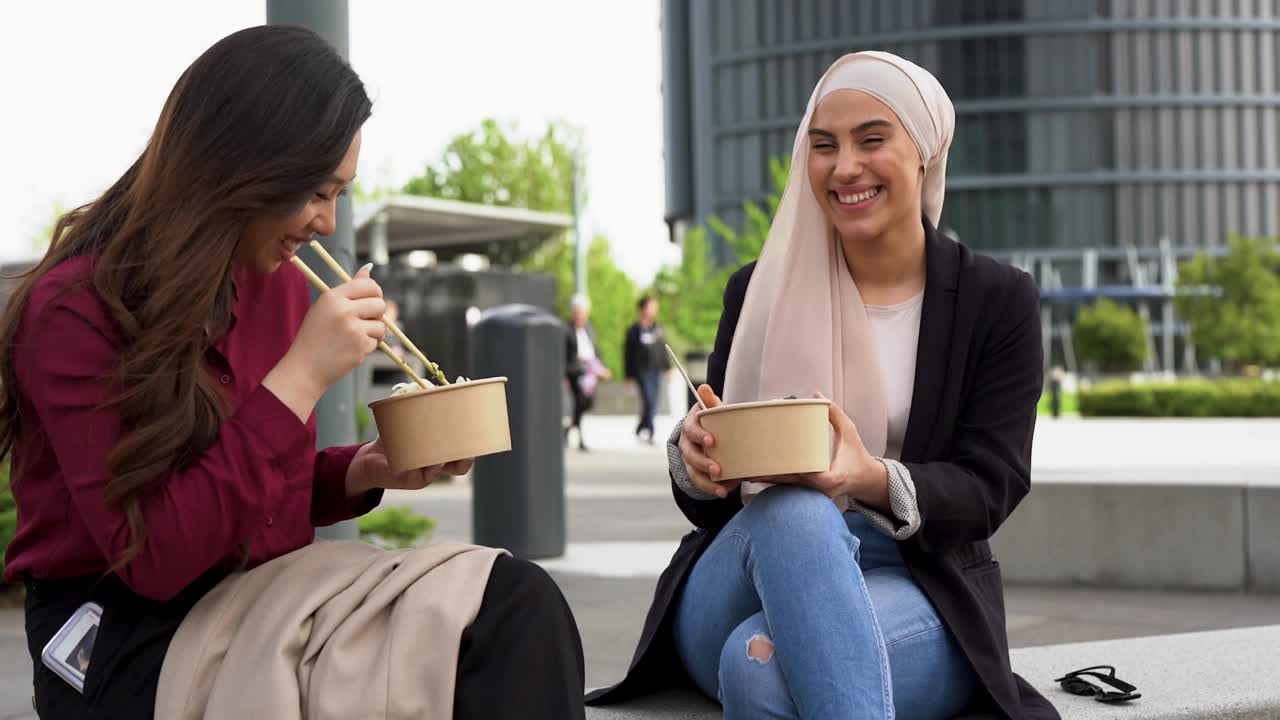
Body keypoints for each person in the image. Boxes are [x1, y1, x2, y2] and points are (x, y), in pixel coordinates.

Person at [0, 26, 584, 720]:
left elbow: (248, 487)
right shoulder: (73, 310)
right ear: (240, 166)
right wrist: (302, 375)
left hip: (263, 591)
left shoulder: (268, 278)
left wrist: (361, 472)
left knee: (509, 605)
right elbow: (155, 555)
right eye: (316, 191)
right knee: (460, 640)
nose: (328, 223)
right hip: (119, 636)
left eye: (340, 194)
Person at [587, 51, 1059, 719]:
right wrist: (695, 457)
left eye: (872, 140)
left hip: (918, 580)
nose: (845, 168)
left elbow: (991, 484)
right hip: (742, 576)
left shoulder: (995, 299)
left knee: (756, 669)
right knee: (791, 504)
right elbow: (715, 493)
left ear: (923, 152)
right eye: (823, 146)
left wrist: (866, 477)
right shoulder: (757, 291)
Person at [564, 294, 611, 451]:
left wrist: (602, 368)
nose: (580, 316)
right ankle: (580, 439)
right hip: (575, 373)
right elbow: (563, 357)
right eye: (578, 312)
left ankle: (570, 427)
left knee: (587, 403)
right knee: (579, 402)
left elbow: (596, 352)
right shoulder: (566, 331)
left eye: (583, 313)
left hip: (590, 374)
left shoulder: (589, 330)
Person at [623, 296, 671, 444]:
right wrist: (628, 376)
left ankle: (640, 428)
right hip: (641, 371)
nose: (655, 310)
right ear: (643, 309)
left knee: (653, 402)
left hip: (655, 370)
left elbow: (663, 350)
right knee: (649, 401)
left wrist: (667, 368)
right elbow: (628, 354)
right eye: (652, 307)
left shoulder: (658, 329)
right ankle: (650, 432)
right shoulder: (634, 331)